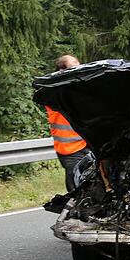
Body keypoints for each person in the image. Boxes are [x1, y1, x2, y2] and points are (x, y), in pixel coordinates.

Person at [46, 54, 94, 192]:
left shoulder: (77, 88)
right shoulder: (54, 90)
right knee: (76, 188)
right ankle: (71, 212)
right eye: (73, 62)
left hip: (86, 145)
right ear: (62, 70)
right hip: (70, 149)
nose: (78, 64)